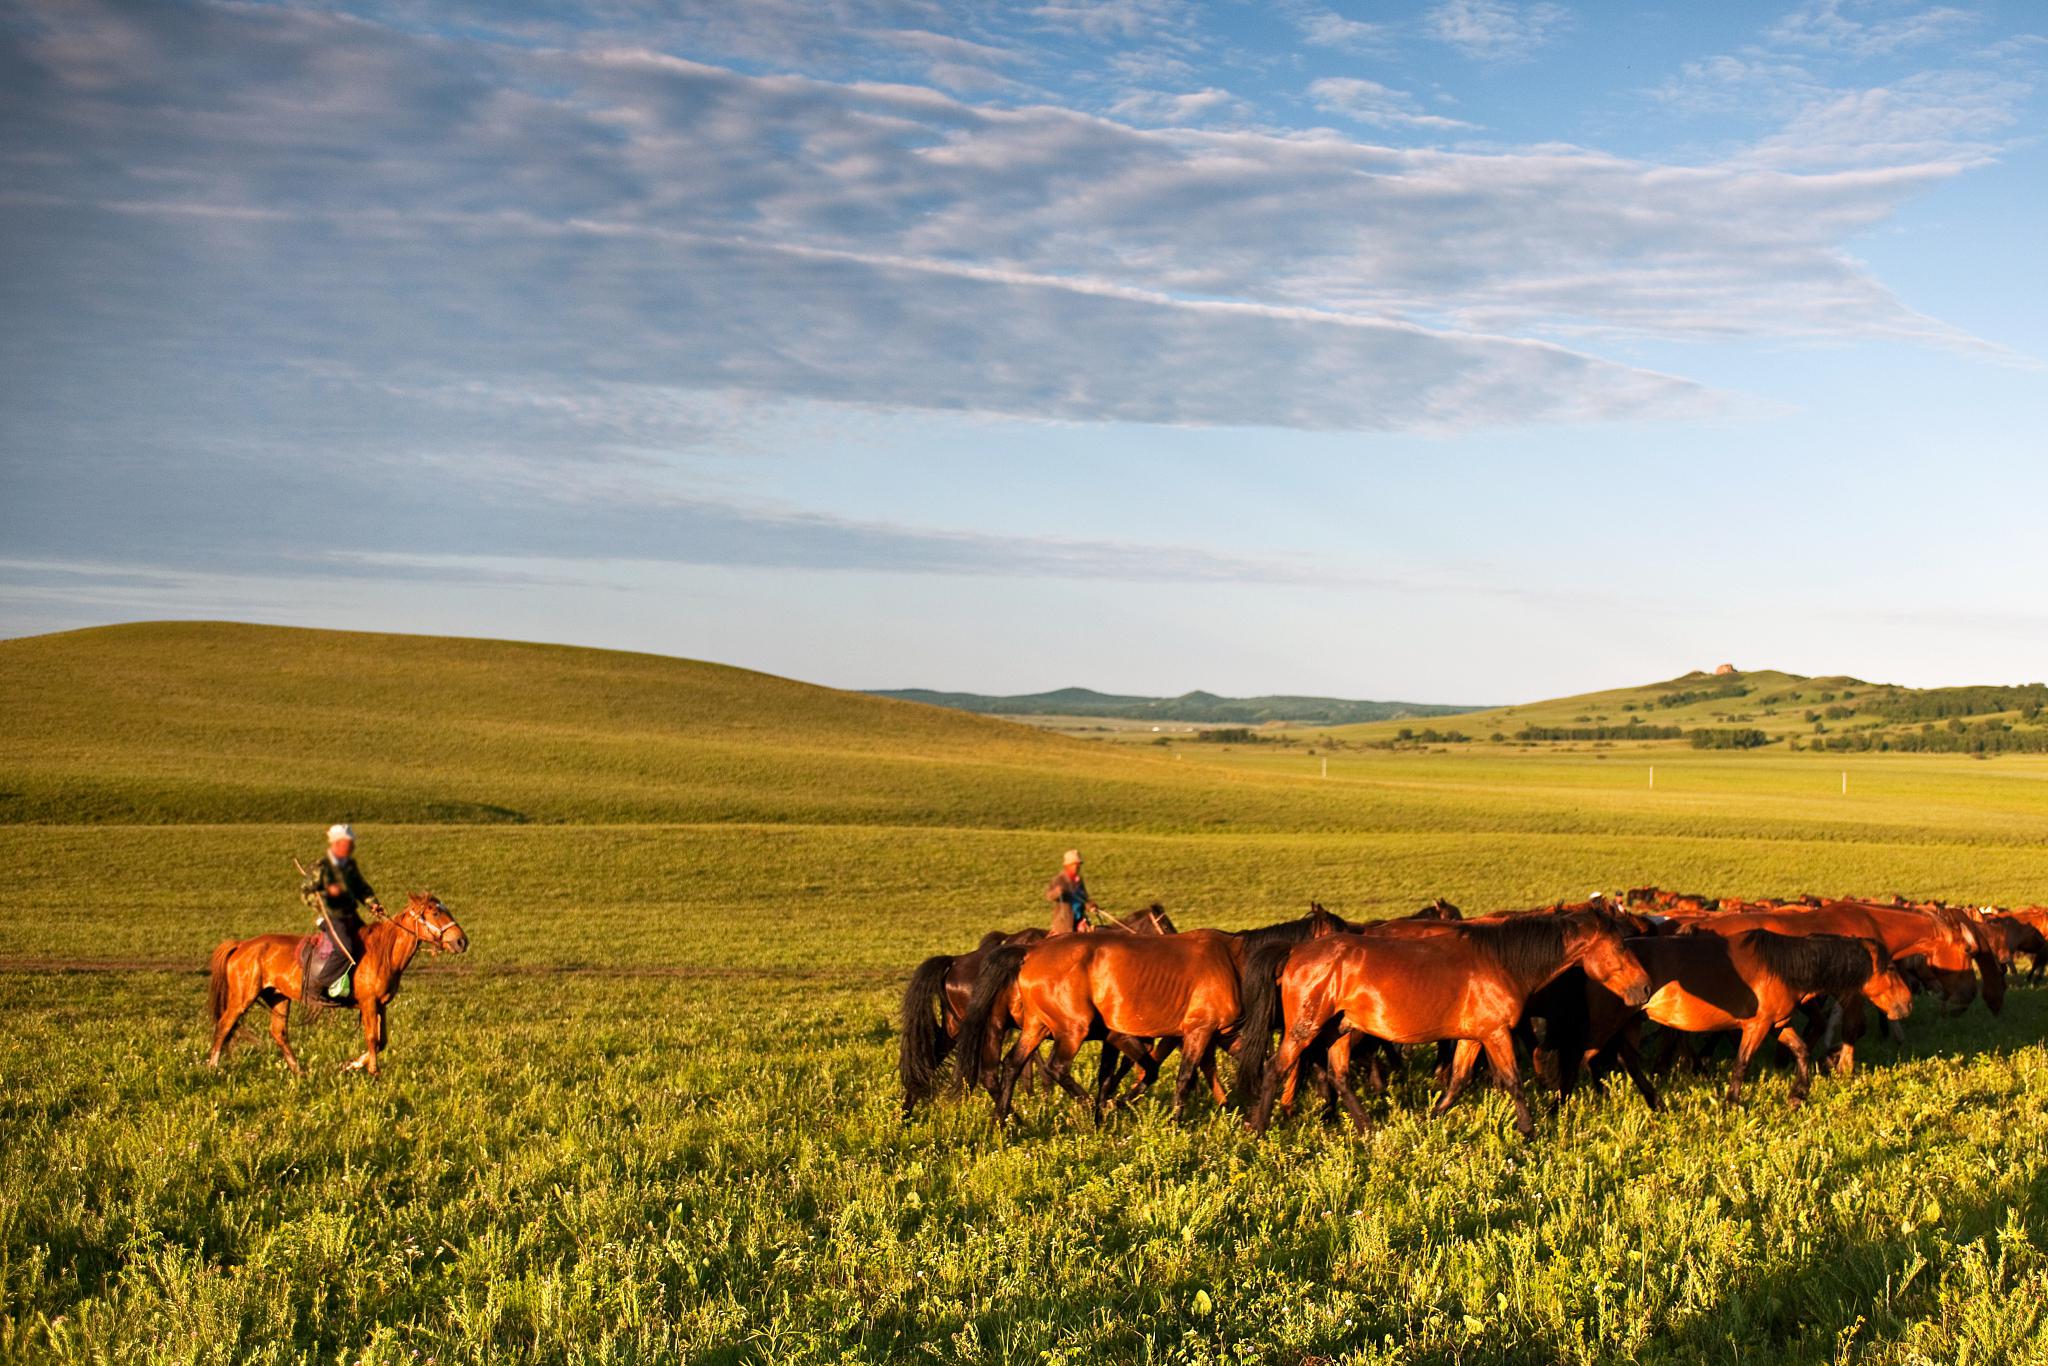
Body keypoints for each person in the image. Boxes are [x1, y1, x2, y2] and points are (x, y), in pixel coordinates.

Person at [301, 823, 383, 999]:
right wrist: (326, 897)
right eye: (348, 843)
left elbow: (362, 889)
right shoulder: (321, 867)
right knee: (346, 949)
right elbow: (306, 893)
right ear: (337, 844)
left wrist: (373, 904)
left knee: (369, 944)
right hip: (332, 917)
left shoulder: (350, 866)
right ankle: (318, 986)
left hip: (351, 916)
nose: (351, 847)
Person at [1045, 849, 1097, 935]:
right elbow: (1049, 896)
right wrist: (1058, 892)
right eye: (1074, 865)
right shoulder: (1059, 879)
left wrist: (1091, 906)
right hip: (1065, 923)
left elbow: (1084, 899)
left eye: (1078, 865)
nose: (1077, 867)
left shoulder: (1079, 880)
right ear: (1067, 865)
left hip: (1080, 921)